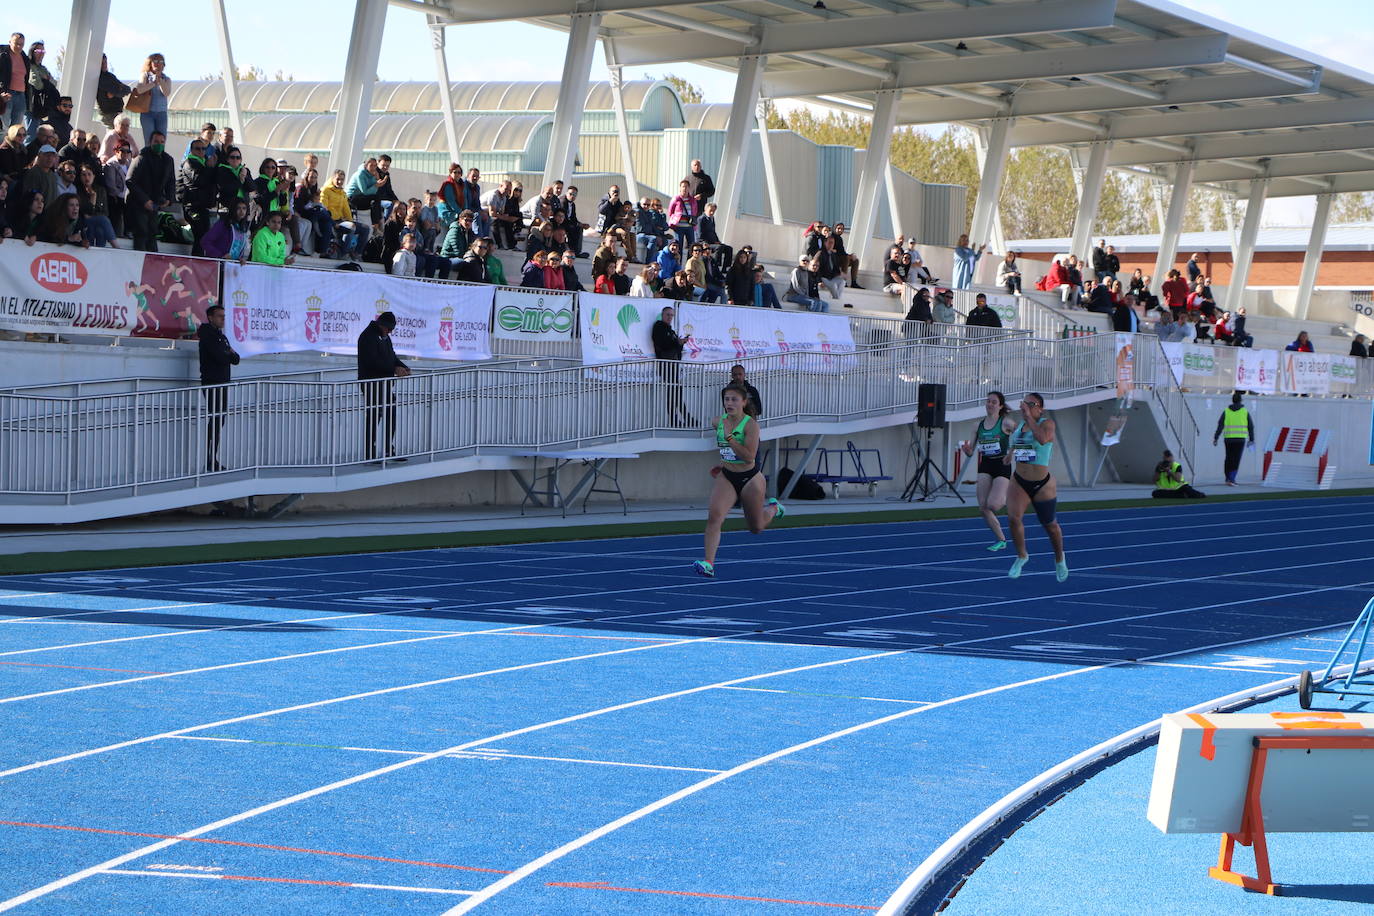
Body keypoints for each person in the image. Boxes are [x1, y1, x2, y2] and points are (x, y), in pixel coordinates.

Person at [693, 382, 784, 579]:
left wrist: (731, 439)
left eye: (734, 399)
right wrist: (722, 463)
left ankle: (774, 508)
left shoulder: (751, 426)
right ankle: (708, 563)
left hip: (750, 478)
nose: (729, 403)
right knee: (714, 516)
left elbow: (750, 456)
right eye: (726, 399)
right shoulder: (718, 421)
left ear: (743, 402)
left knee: (756, 527)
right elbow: (726, 450)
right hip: (727, 476)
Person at [1006, 393, 1067, 582]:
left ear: (1039, 407)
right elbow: (1019, 443)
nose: (1025, 406)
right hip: (1019, 480)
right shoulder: (1020, 426)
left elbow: (1041, 439)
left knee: (1050, 525)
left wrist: (1029, 418)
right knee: (1014, 519)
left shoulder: (1046, 424)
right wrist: (1010, 454)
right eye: (1024, 403)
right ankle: (1022, 555)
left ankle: (1059, 558)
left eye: (1030, 404)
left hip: (1042, 484)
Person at [959, 392, 1015, 550]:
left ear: (1000, 406)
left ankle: (1008, 497)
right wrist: (966, 450)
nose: (990, 404)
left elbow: (1022, 436)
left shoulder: (1006, 423)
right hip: (985, 465)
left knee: (994, 505)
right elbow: (971, 452)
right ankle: (1002, 540)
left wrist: (1012, 453)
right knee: (983, 507)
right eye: (988, 401)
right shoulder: (977, 425)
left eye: (994, 402)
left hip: (1002, 463)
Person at [358, 311, 410, 462]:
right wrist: (394, 369)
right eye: (389, 328)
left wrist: (403, 367)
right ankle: (370, 453)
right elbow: (372, 362)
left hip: (385, 384)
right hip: (372, 384)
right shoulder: (368, 336)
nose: (391, 331)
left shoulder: (385, 337)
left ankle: (389, 449)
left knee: (390, 415)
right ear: (382, 325)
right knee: (374, 417)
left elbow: (391, 357)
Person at [197, 304, 239, 472]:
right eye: (219, 316)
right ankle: (210, 459)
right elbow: (221, 357)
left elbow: (236, 359)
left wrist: (229, 353)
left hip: (223, 382)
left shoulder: (222, 337)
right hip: (212, 381)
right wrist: (228, 353)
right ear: (210, 318)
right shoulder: (208, 336)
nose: (223, 319)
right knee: (215, 419)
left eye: (224, 316)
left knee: (219, 420)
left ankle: (213, 458)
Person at [125, 131, 173, 252]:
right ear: (149, 142)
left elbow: (171, 181)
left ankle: (151, 263)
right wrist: (145, 200)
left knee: (152, 233)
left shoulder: (168, 160)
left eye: (162, 142)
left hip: (155, 203)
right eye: (156, 141)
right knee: (141, 232)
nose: (159, 144)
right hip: (138, 203)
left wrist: (169, 198)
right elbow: (130, 181)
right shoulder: (141, 158)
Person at [652, 305, 695, 428]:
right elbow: (664, 344)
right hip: (666, 365)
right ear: (662, 315)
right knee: (673, 393)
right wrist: (678, 342)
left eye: (671, 315)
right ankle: (678, 419)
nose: (670, 317)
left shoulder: (670, 330)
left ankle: (685, 418)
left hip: (673, 365)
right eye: (668, 315)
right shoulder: (659, 327)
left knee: (676, 393)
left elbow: (675, 347)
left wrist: (680, 343)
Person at [176, 136, 217, 255]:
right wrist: (210, 167)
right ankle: (196, 262)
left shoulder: (203, 163)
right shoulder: (189, 163)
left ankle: (199, 261)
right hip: (192, 206)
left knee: (204, 236)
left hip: (202, 206)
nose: (201, 151)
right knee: (200, 235)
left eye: (203, 149)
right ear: (191, 150)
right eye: (197, 149)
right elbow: (199, 180)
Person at [1213, 391, 1254, 486]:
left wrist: (1216, 437)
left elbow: (1220, 425)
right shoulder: (1245, 412)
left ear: (1232, 400)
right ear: (1241, 400)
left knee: (1228, 458)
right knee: (1236, 459)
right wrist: (1251, 439)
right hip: (1240, 440)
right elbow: (1251, 427)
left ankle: (1227, 478)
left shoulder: (1226, 411)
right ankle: (1232, 479)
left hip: (1228, 439)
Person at [129, 53, 170, 147]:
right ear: (150, 63)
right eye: (155, 61)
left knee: (161, 141)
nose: (158, 64)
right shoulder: (145, 76)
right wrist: (153, 83)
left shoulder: (166, 79)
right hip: (147, 112)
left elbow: (166, 93)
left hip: (161, 113)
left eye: (161, 62)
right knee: (149, 140)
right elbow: (139, 89)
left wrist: (160, 82)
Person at [1, 33, 29, 134]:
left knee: (16, 128)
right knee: (4, 126)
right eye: (16, 43)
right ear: (10, 42)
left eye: (21, 44)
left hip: (21, 95)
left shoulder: (24, 57)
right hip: (7, 94)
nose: (19, 47)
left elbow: (26, 78)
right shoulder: (3, 55)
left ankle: (11, 148)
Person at [667, 179, 698, 248]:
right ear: (680, 188)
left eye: (686, 187)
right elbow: (670, 211)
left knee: (691, 245)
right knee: (679, 245)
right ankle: (678, 258)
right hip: (679, 226)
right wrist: (675, 219)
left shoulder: (692, 200)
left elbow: (695, 211)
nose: (685, 188)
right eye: (683, 186)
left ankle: (690, 259)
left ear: (689, 188)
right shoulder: (676, 199)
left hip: (689, 225)